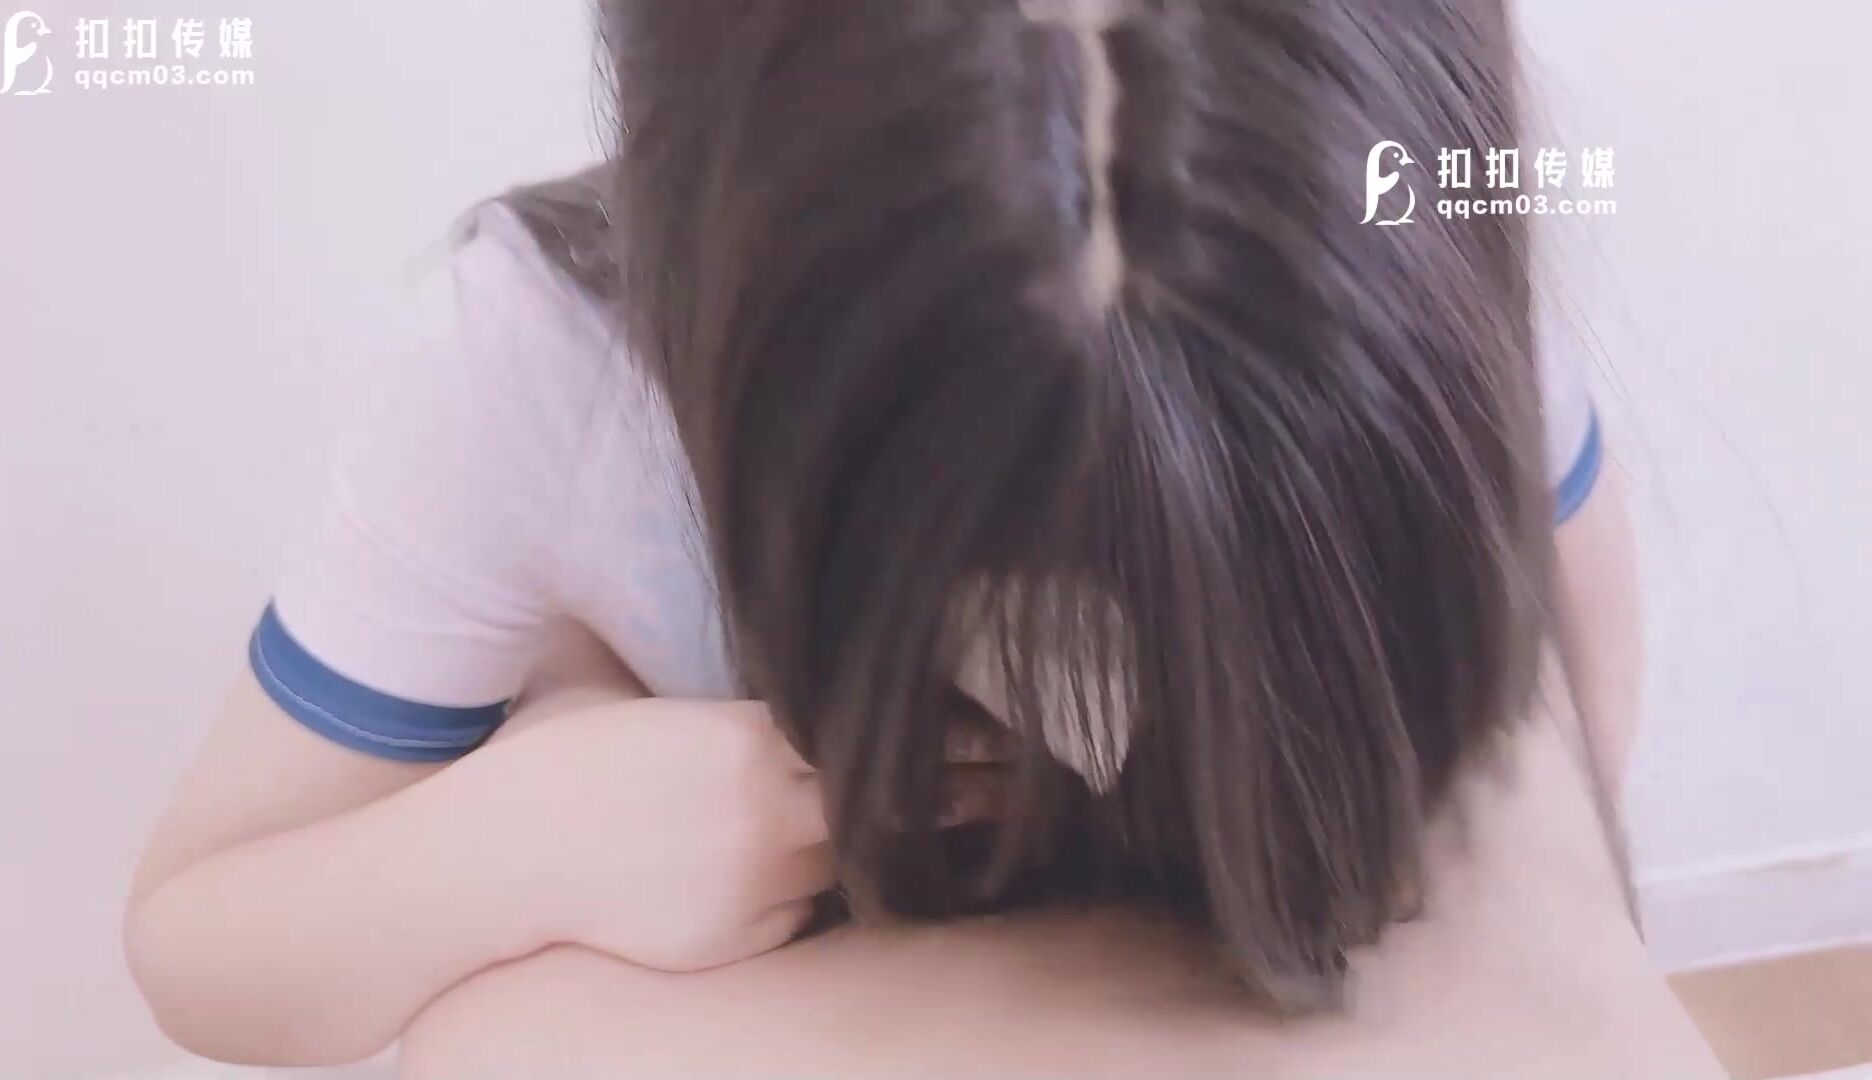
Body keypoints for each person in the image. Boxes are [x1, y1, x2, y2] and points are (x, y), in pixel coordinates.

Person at [125, 0, 1690, 1071]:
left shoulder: (1399, 262)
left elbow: (1575, 696)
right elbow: (202, 943)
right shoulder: (552, 373)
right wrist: (515, 845)